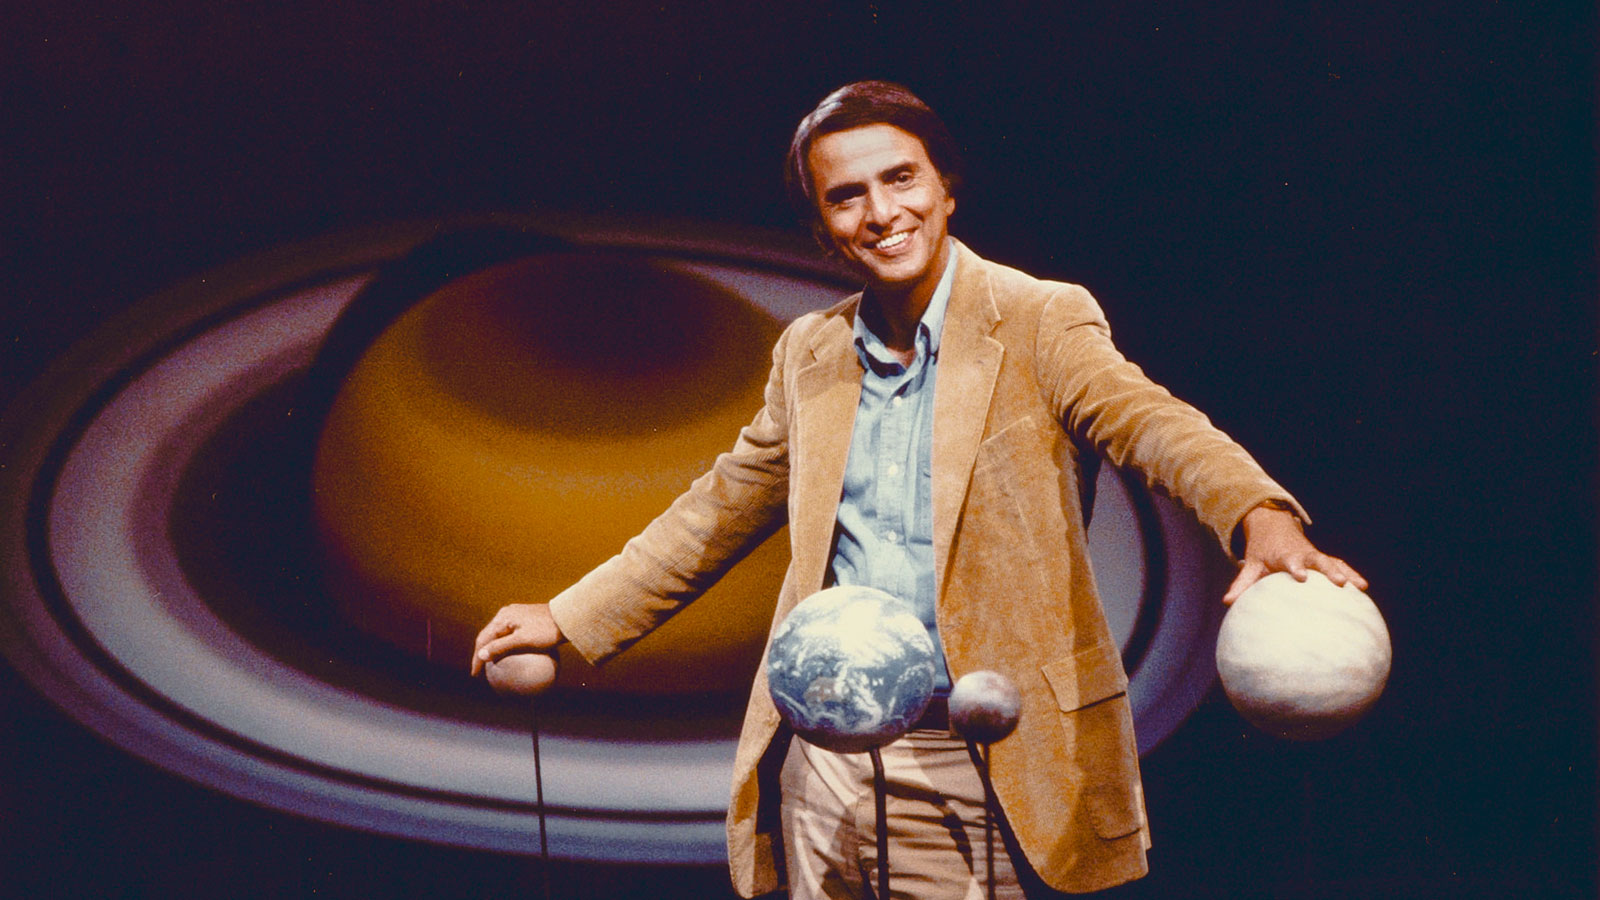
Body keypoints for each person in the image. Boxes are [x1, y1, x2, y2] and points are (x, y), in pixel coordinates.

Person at [471, 80, 1365, 899]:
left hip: (977, 762)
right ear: (823, 227)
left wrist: (1259, 516)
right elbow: (719, 508)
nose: (882, 213)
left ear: (946, 187)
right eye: (847, 196)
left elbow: (1154, 424)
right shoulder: (810, 353)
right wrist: (570, 617)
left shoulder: (1038, 319)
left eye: (900, 179)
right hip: (822, 766)